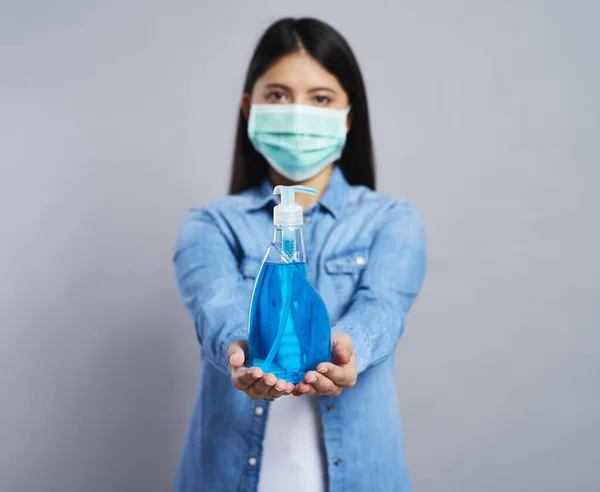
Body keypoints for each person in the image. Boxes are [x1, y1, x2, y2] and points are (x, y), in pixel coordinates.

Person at [173, 17, 426, 492]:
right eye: (277, 95)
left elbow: (383, 306)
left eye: (321, 98)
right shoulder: (210, 225)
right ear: (248, 108)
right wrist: (242, 351)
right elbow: (218, 305)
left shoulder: (391, 220)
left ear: (349, 115)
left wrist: (347, 347)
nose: (296, 113)